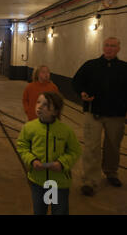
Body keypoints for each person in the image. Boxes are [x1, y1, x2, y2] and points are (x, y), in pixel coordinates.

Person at [72, 37, 127, 196]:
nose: (109, 48)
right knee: (92, 147)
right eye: (107, 45)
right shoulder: (91, 65)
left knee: (113, 146)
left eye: (113, 46)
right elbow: (76, 82)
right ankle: (90, 180)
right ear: (103, 47)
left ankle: (111, 172)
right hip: (93, 112)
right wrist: (82, 93)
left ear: (118, 49)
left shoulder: (124, 68)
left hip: (116, 115)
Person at [17, 92, 82, 215]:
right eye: (38, 102)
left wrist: (62, 163)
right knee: (39, 210)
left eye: (46, 104)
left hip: (58, 183)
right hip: (38, 181)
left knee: (59, 211)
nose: (40, 106)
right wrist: (31, 160)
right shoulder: (29, 128)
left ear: (55, 111)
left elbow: (75, 150)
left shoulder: (65, 131)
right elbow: (22, 146)